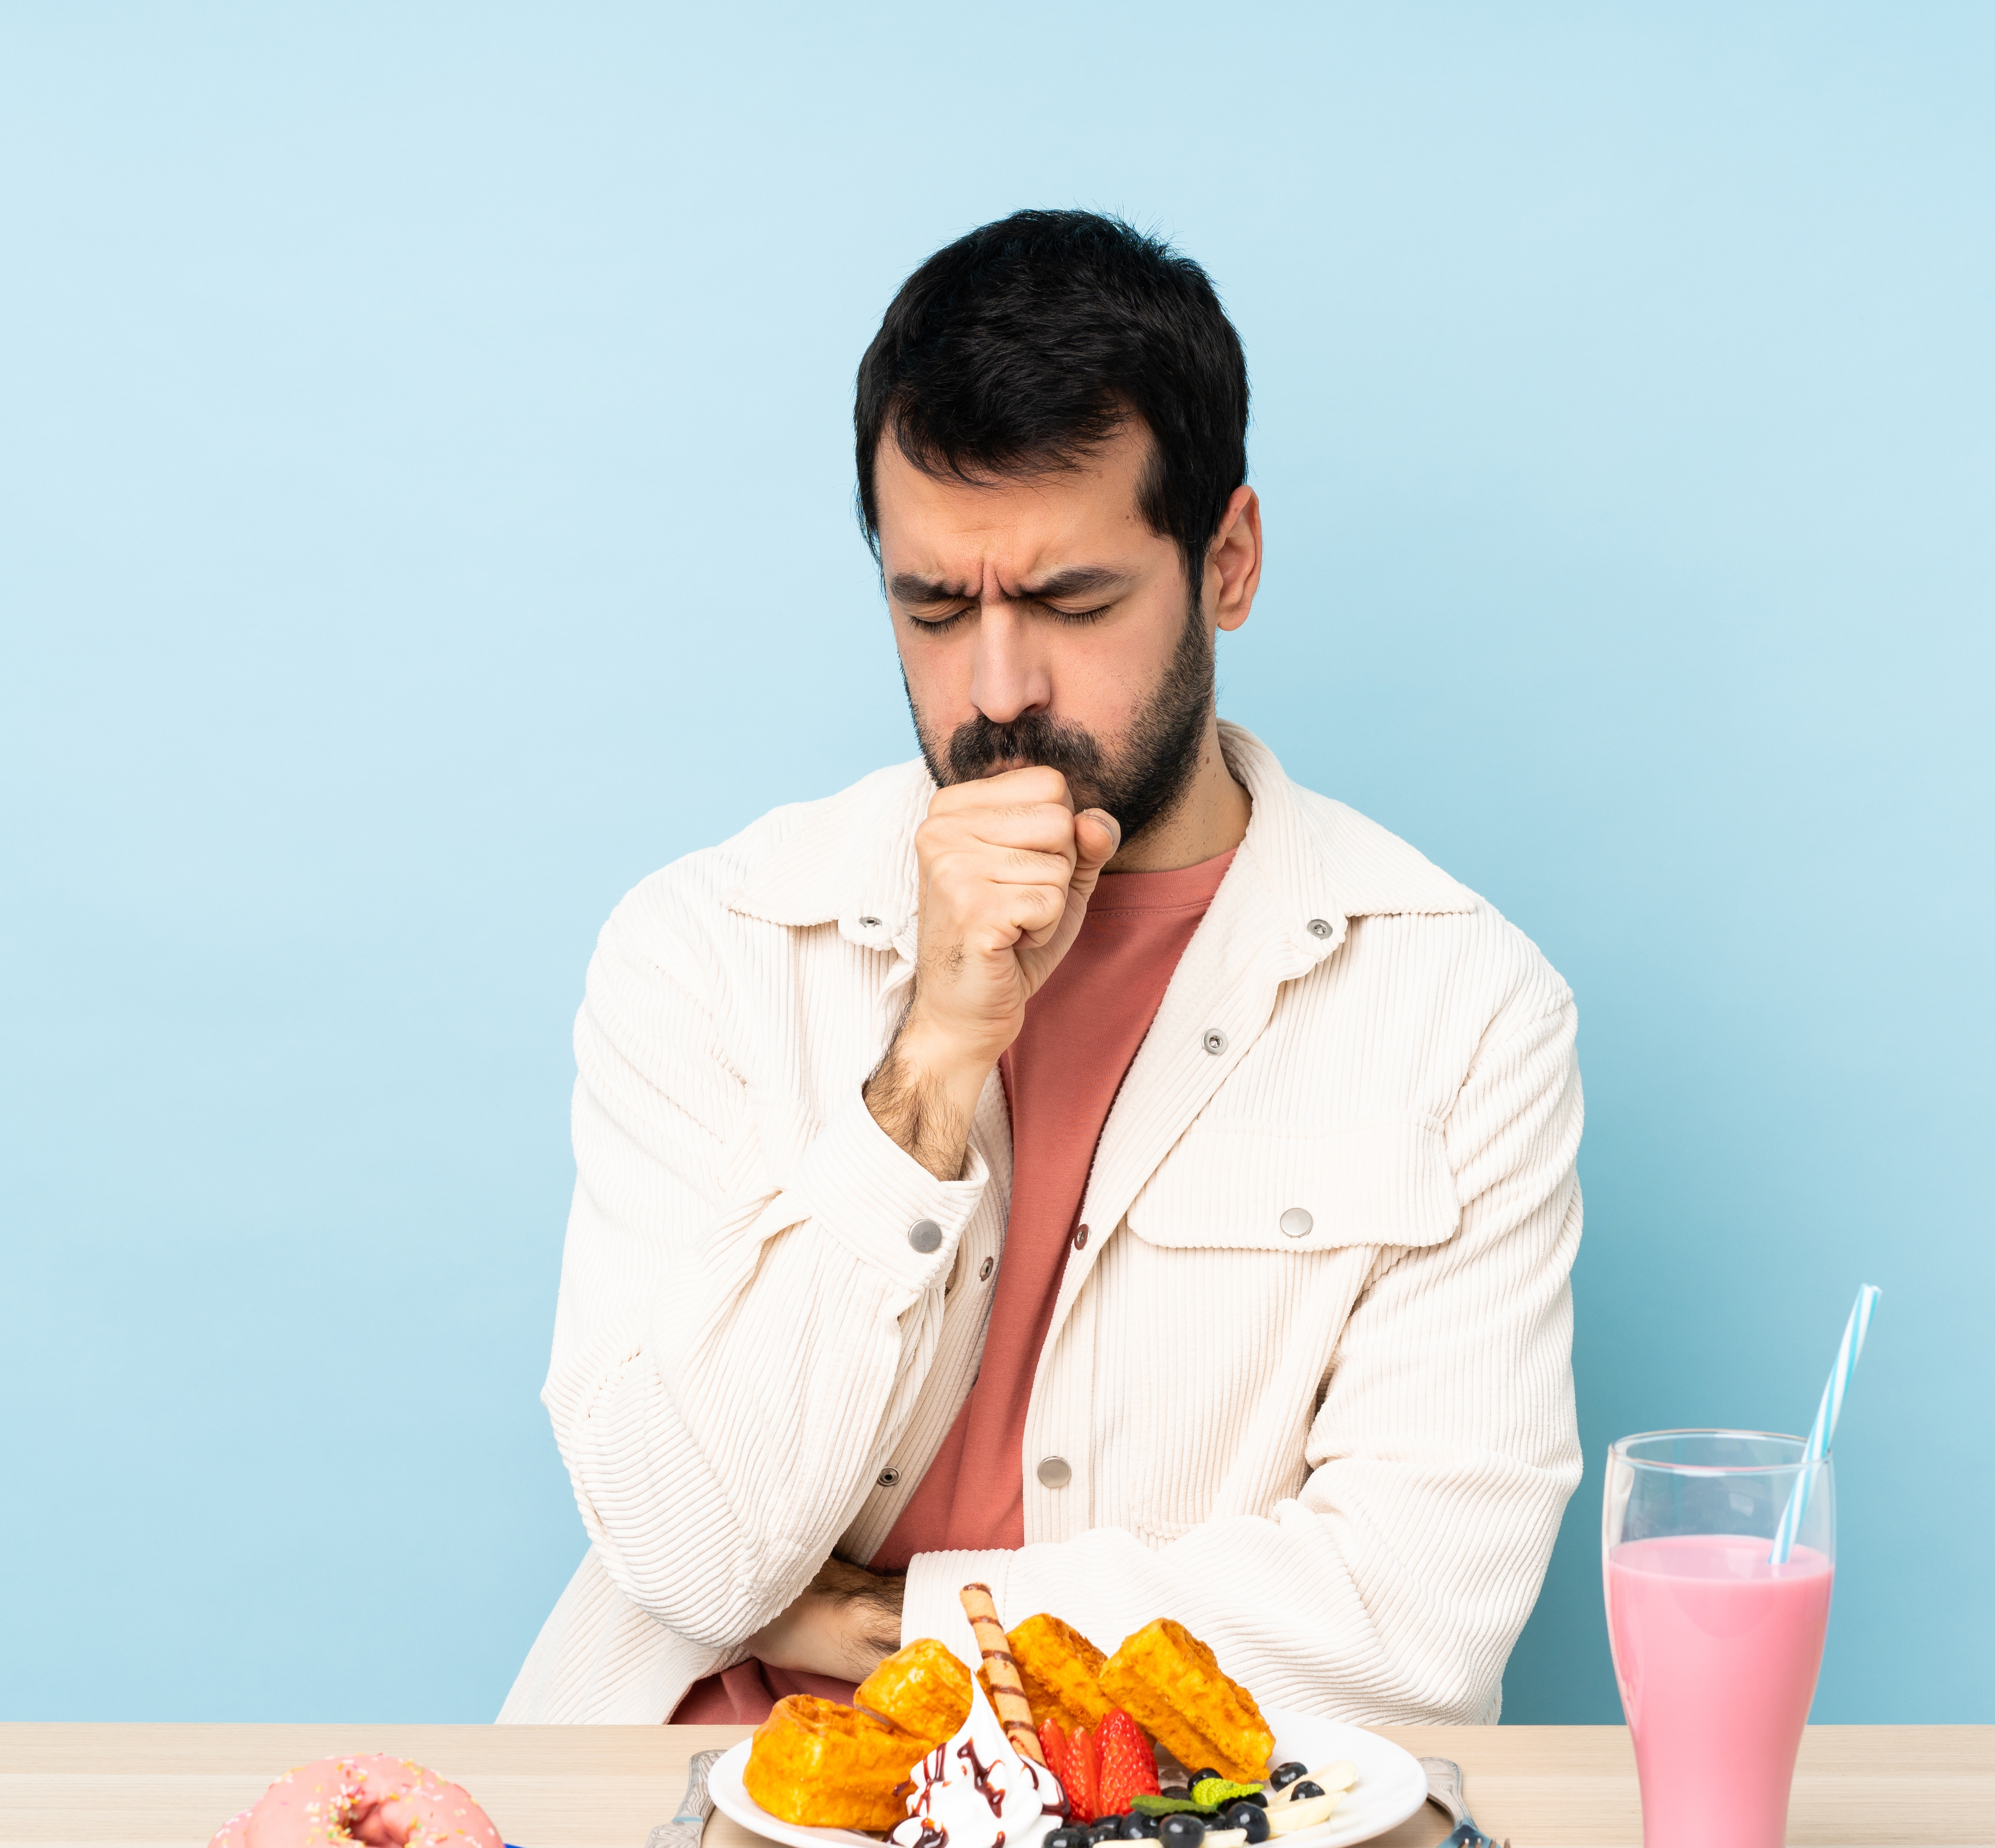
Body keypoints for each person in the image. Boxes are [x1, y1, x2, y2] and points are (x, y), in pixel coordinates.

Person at [499, 209, 1582, 1728]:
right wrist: (929, 1064)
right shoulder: (706, 948)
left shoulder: (1463, 1009)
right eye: (934, 609)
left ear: (1230, 560)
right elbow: (683, 1553)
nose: (997, 692)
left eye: (1072, 604)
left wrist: (910, 1621)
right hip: (704, 1824)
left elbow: (1420, 1617)